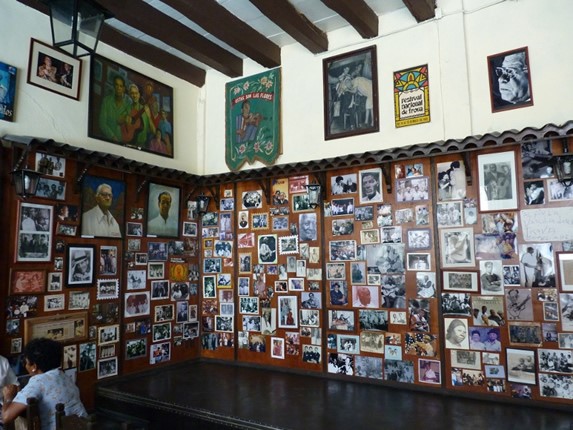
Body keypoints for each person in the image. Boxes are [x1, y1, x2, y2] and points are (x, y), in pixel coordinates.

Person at [2, 338, 87, 429]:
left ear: (34, 366)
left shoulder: (38, 382)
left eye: (26, 362)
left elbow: (6, 418)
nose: (25, 365)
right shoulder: (63, 376)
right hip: (82, 425)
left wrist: (8, 397)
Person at [98, 75, 131, 143]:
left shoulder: (128, 102)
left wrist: (125, 118)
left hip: (123, 143)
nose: (118, 88)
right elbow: (102, 123)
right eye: (116, 85)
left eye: (121, 86)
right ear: (113, 86)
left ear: (124, 88)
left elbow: (131, 122)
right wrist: (112, 136)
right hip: (107, 140)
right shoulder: (106, 101)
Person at [124, 83, 156, 148]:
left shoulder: (145, 110)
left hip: (141, 146)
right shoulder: (127, 108)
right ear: (130, 94)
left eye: (136, 93)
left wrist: (149, 117)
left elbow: (154, 131)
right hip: (128, 143)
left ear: (139, 94)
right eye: (132, 93)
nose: (134, 95)